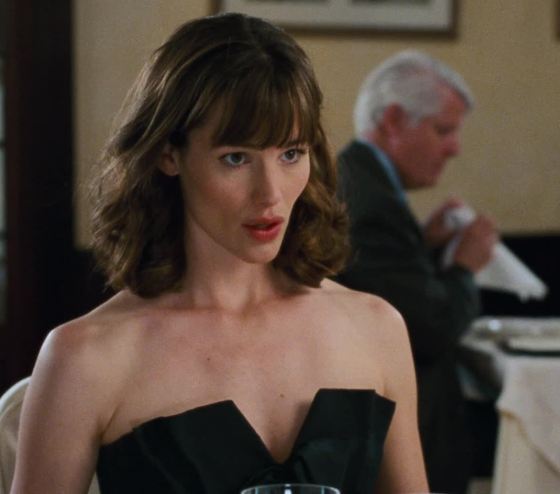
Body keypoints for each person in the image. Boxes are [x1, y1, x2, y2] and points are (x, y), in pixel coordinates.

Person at [10, 13, 427, 494]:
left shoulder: (376, 329)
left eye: (291, 154)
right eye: (236, 158)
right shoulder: (85, 359)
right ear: (169, 154)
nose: (270, 193)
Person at [335, 50, 498, 494]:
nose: (455, 147)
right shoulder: (371, 202)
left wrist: (424, 246)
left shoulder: (364, 178)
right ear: (392, 120)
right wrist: (465, 265)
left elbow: (379, 283)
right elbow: (431, 328)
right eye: (443, 130)